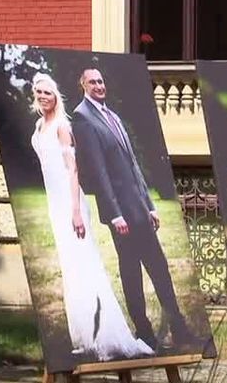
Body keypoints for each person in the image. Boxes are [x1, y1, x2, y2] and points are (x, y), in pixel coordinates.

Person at [70, 67, 201, 349]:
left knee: (159, 267)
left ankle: (178, 329)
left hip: (138, 208)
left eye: (101, 80)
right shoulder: (83, 119)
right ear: (83, 85)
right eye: (92, 82)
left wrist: (150, 205)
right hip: (121, 214)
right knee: (132, 272)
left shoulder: (112, 116)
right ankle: (145, 333)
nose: (99, 85)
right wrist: (114, 213)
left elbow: (132, 166)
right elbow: (99, 171)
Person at [28, 74, 153, 360]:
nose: (43, 96)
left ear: (56, 94)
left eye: (47, 91)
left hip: (71, 200)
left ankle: (106, 333)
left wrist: (75, 210)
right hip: (54, 201)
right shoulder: (39, 126)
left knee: (85, 263)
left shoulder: (62, 126)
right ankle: (85, 333)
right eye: (38, 92)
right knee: (70, 266)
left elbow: (73, 171)